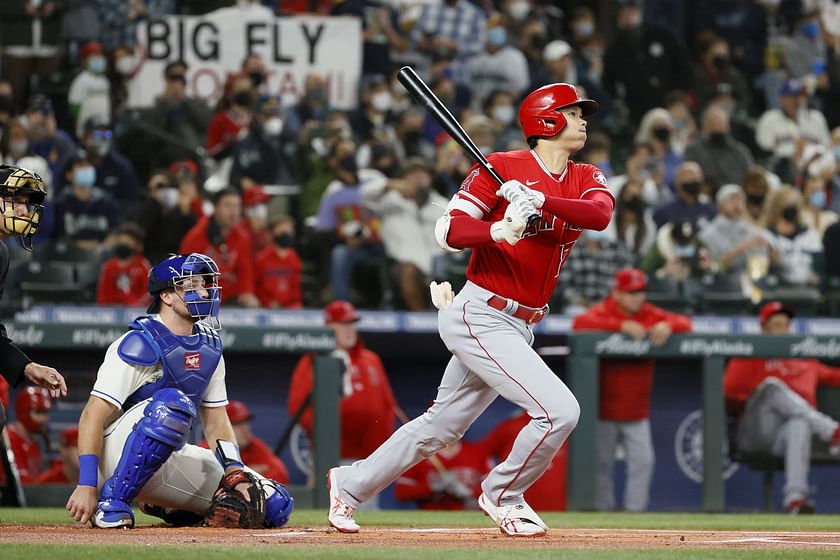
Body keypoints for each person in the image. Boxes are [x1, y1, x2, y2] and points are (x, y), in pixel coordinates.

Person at [326, 82, 614, 536]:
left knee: (439, 429)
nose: (582, 120)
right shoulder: (501, 167)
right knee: (559, 410)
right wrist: (498, 230)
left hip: (521, 323)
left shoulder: (585, 176)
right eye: (574, 112)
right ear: (546, 120)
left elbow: (598, 214)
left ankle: (348, 484)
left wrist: (540, 201)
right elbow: (449, 230)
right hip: (480, 312)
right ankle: (503, 495)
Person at [65, 253, 293, 529]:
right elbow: (93, 414)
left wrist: (234, 470)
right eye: (191, 284)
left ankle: (167, 508)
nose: (203, 290)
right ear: (167, 296)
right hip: (113, 456)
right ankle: (112, 502)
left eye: (204, 283)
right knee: (171, 406)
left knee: (273, 505)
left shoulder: (210, 347)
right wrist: (87, 484)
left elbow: (216, 420)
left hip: (169, 456)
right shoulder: (139, 341)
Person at [571, 268, 692, 512]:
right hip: (603, 409)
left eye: (640, 292)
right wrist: (619, 325)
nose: (637, 298)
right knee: (601, 464)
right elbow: (579, 323)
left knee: (643, 462)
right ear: (616, 293)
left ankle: (635, 513)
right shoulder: (605, 311)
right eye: (631, 293)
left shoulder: (649, 314)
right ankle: (601, 512)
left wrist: (667, 325)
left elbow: (685, 322)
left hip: (637, 410)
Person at [724, 302, 840, 514]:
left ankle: (795, 500)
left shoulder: (804, 358)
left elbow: (834, 376)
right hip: (755, 433)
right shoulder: (751, 353)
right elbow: (728, 394)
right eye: (776, 325)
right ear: (764, 329)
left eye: (785, 325)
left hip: (783, 438)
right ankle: (832, 431)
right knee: (772, 387)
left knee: (799, 423)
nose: (783, 330)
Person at [288, 300, 399, 461]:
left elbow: (388, 405)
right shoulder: (313, 360)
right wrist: (325, 433)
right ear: (329, 327)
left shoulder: (371, 359)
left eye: (352, 324)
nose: (350, 330)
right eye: (343, 324)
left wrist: (383, 445)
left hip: (372, 460)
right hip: (332, 456)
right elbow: (297, 407)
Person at [0, 165, 67, 431]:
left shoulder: (1, 254)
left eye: (26, 204)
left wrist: (28, 367)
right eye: (15, 201)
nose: (23, 211)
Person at [480, 409, 569, 512]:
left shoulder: (564, 426)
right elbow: (483, 453)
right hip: (517, 501)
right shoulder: (512, 425)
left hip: (558, 502)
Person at [200, 401, 289, 485]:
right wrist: (250, 473)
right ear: (223, 427)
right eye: (237, 424)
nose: (245, 428)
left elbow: (280, 474)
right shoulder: (209, 448)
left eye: (246, 423)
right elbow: (204, 481)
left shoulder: (254, 445)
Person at [394, 439, 491, 510]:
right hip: (430, 517)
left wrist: (469, 492)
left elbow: (493, 490)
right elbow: (401, 492)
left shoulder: (478, 452)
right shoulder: (421, 453)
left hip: (468, 515)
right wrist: (430, 488)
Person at [96, 223, 151, 306]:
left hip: (137, 311)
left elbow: (148, 292)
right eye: (122, 241)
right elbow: (103, 295)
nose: (124, 244)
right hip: (112, 312)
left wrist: (136, 305)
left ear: (137, 245)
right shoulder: (108, 267)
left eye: (128, 242)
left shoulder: (142, 265)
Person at [7, 386, 52, 482]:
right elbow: (21, 481)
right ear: (23, 411)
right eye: (38, 412)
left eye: (45, 413)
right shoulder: (9, 439)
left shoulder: (34, 442)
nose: (44, 418)